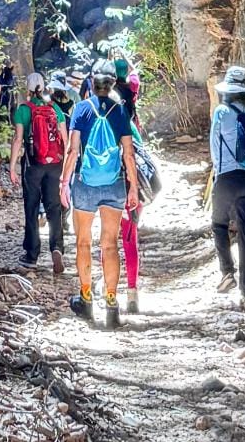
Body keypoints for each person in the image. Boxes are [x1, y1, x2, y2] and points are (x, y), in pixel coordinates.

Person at [60, 57, 140, 327]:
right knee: (110, 245)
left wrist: (64, 183)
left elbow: (73, 151)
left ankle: (86, 299)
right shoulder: (120, 111)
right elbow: (128, 154)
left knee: (83, 243)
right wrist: (133, 188)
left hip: (85, 184)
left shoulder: (81, 109)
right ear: (113, 83)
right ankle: (111, 304)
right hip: (114, 184)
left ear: (91, 83)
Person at [209, 61, 245, 311]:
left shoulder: (221, 112)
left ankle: (227, 273)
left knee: (219, 224)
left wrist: (218, 175)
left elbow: (215, 147)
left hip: (227, 177)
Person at [8, 71, 67, 273]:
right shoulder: (54, 108)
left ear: (28, 88)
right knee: (54, 207)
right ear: (44, 87)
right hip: (55, 164)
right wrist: (64, 165)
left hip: (33, 164)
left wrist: (12, 167)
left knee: (32, 207)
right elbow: (65, 139)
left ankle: (32, 255)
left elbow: (18, 139)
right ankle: (57, 247)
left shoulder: (23, 110)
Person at [112, 55, 145, 310]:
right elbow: (138, 158)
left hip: (109, 188)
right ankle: (132, 292)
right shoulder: (131, 126)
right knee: (130, 240)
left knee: (108, 241)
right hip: (132, 188)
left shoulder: (101, 122)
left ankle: (110, 294)